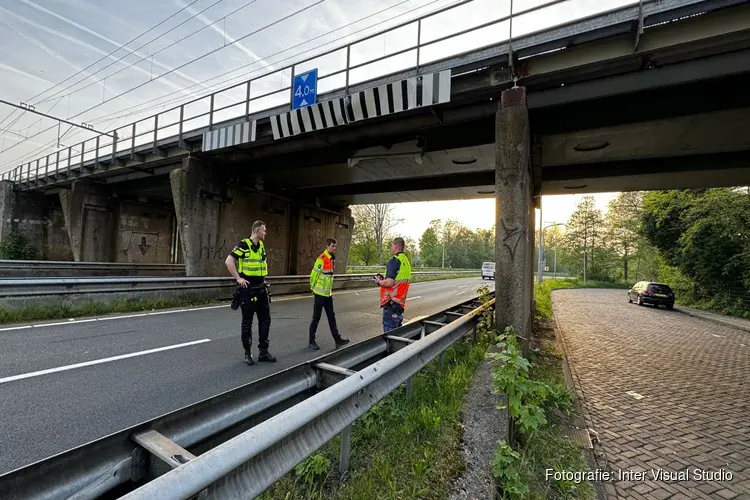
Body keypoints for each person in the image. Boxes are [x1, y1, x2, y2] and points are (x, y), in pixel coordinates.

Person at [225, 220, 276, 365]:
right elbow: (229, 261)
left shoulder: (261, 246)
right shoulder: (243, 245)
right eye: (264, 230)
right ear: (257, 231)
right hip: (248, 290)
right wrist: (238, 278)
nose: (265, 233)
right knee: (247, 323)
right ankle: (248, 353)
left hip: (261, 289)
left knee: (265, 320)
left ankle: (263, 352)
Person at [308, 237, 350, 350]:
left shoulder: (332, 259)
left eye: (335, 246)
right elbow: (314, 275)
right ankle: (311, 341)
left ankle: (337, 340)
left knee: (332, 317)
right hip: (319, 294)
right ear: (327, 246)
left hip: (328, 294)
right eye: (332, 246)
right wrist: (312, 288)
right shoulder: (321, 259)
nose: (334, 248)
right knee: (316, 317)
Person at [374, 237, 412, 332]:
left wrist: (379, 281)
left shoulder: (394, 261)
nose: (391, 248)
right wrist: (385, 279)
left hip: (391, 304)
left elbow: (389, 283)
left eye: (392, 246)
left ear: (395, 246)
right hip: (399, 305)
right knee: (397, 335)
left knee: (389, 337)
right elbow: (397, 280)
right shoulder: (406, 262)